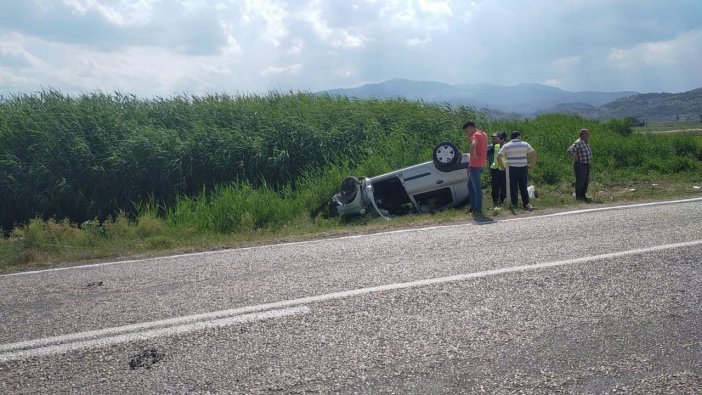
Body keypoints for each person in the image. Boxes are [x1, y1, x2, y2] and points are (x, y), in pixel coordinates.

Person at [497, 131, 537, 211]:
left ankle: (515, 204)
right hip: (523, 168)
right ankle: (526, 204)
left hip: (511, 168)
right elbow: (534, 154)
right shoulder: (525, 144)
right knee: (523, 187)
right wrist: (531, 165)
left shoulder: (506, 145)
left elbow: (499, 157)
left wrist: (503, 167)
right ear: (518, 136)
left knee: (513, 187)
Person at [463, 121, 488, 218]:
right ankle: (473, 208)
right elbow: (480, 146)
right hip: (480, 164)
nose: (467, 132)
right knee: (470, 186)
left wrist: (472, 154)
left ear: (471, 128)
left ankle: (477, 210)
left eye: (467, 130)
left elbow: (474, 144)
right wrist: (471, 139)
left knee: (477, 188)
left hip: (474, 165)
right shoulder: (483, 134)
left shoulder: (475, 136)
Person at [567, 128, 593, 202]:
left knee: (585, 181)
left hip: (586, 164)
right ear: (583, 134)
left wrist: (589, 163)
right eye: (587, 134)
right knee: (580, 181)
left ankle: (583, 196)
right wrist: (575, 156)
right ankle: (578, 197)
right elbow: (570, 150)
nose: (588, 135)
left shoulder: (585, 142)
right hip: (580, 165)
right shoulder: (579, 142)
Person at [488, 132, 507, 206]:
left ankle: (502, 201)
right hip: (495, 169)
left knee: (504, 186)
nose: (497, 139)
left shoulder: (507, 146)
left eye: (499, 138)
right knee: (495, 186)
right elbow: (488, 152)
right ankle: (495, 202)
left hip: (504, 169)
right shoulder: (495, 146)